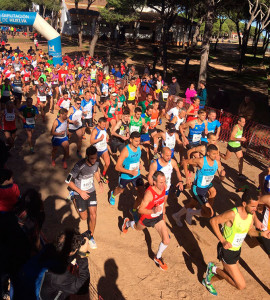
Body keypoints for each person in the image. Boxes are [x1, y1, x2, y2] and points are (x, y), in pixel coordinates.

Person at [202, 190, 270, 296]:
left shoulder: (250, 214)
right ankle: (212, 268)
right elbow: (213, 221)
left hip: (237, 250)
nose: (255, 209)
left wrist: (262, 234)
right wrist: (223, 240)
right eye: (253, 206)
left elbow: (250, 231)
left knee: (227, 274)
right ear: (244, 204)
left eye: (256, 206)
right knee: (241, 285)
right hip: (226, 251)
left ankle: (207, 281)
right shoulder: (232, 214)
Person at [122, 171, 170, 270]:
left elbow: (162, 202)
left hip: (158, 217)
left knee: (166, 240)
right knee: (137, 228)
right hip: (147, 217)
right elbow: (140, 209)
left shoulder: (164, 188)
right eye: (161, 182)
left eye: (164, 181)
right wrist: (153, 210)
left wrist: (163, 215)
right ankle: (127, 223)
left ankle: (158, 257)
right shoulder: (149, 193)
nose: (163, 184)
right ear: (155, 182)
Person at [173, 144, 225, 227]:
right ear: (208, 153)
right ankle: (195, 212)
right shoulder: (201, 161)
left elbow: (221, 178)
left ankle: (177, 215)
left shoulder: (217, 163)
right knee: (209, 213)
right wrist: (187, 178)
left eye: (217, 153)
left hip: (207, 185)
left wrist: (222, 175)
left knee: (197, 201)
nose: (216, 156)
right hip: (198, 188)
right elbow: (185, 162)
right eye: (214, 154)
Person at [67, 146, 103, 249]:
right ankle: (72, 195)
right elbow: (67, 180)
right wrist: (80, 192)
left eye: (95, 158)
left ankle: (91, 236)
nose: (94, 160)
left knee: (93, 215)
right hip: (79, 192)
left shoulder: (96, 163)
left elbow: (96, 171)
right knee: (83, 217)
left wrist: (99, 182)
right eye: (92, 158)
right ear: (87, 156)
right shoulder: (79, 166)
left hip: (91, 191)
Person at [109, 132, 144, 220]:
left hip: (136, 174)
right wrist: (130, 172)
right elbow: (117, 167)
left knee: (141, 194)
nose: (138, 143)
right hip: (126, 175)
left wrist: (140, 164)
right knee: (120, 190)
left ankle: (133, 210)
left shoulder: (140, 147)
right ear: (130, 140)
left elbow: (137, 158)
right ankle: (112, 195)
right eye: (136, 141)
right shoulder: (125, 151)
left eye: (139, 141)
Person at [90, 117, 110, 183]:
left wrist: (105, 139)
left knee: (107, 163)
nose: (104, 126)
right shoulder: (95, 131)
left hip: (104, 149)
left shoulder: (104, 129)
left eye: (105, 125)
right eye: (103, 125)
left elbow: (104, 134)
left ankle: (103, 175)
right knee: (94, 166)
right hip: (96, 151)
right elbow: (91, 141)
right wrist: (100, 139)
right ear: (98, 123)